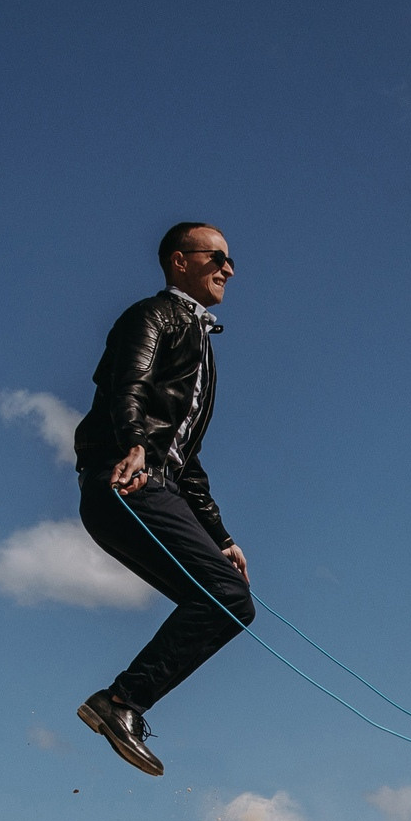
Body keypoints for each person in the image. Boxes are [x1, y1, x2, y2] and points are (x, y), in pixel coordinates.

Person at [71, 222, 254, 777]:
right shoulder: (153, 316)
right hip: (126, 481)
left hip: (159, 484)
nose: (228, 268)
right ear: (179, 261)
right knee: (226, 598)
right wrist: (131, 444)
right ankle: (121, 703)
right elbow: (126, 385)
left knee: (229, 600)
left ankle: (122, 703)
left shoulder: (201, 341)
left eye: (231, 261)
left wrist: (220, 536)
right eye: (217, 256)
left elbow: (184, 455)